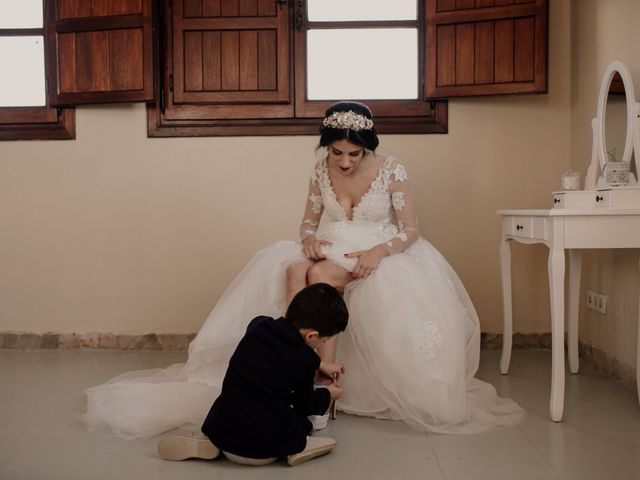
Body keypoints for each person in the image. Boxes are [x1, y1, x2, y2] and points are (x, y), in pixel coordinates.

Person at [84, 101, 523, 440]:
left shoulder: (392, 170)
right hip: (333, 247)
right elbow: (308, 222)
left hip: (378, 248)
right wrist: (310, 239)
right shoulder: (319, 171)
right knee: (295, 270)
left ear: (368, 147)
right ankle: (304, 377)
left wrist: (378, 252)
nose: (345, 162)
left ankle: (319, 391)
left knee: (317, 280)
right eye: (337, 153)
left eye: (354, 153)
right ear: (326, 147)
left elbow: (410, 230)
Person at [157, 283, 347, 466]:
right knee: (301, 423)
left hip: (222, 429)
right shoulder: (305, 360)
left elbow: (280, 354)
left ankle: (212, 442)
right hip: (262, 449)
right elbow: (305, 404)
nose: (321, 345)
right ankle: (296, 448)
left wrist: (320, 364)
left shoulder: (259, 325)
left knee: (236, 403)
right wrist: (328, 394)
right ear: (311, 335)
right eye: (323, 340)